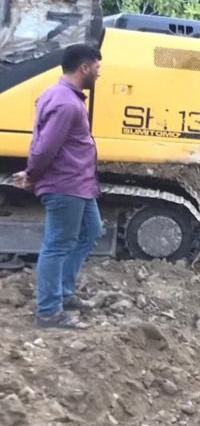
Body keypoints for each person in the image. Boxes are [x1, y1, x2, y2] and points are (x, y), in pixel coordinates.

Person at [14, 43, 103, 329]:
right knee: (57, 245)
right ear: (84, 68)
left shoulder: (61, 96)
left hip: (79, 184)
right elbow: (44, 148)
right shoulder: (66, 103)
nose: (100, 74)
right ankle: (49, 310)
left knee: (91, 230)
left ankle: (63, 293)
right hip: (66, 185)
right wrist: (31, 174)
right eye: (98, 68)